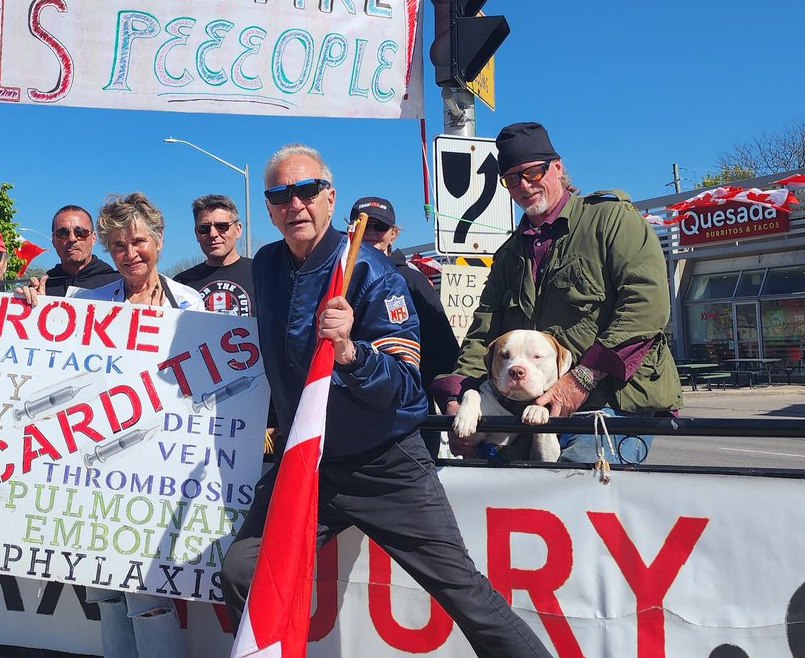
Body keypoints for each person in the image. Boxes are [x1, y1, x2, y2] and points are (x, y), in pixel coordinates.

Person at [220, 144, 552, 658]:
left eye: (307, 191)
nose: (295, 204)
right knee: (242, 571)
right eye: (280, 195)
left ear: (330, 199)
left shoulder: (373, 272)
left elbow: (403, 385)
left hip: (386, 463)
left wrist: (352, 352)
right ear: (268, 208)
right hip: (309, 465)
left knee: (467, 596)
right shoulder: (264, 266)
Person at [431, 122, 681, 464]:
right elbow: (483, 334)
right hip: (528, 415)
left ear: (558, 168)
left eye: (533, 172)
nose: (524, 186)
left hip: (609, 407)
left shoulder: (610, 221)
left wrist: (580, 380)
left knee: (575, 487)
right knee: (510, 501)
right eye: (512, 179)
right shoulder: (508, 254)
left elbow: (646, 309)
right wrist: (458, 399)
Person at [76, 192, 199, 658]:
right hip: (97, 460)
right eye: (118, 246)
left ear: (159, 242)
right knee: (107, 592)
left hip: (160, 459)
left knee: (147, 590)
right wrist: (32, 301)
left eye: (138, 241)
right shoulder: (88, 303)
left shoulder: (190, 302)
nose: (130, 254)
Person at [351, 195, 460, 460]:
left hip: (407, 418)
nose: (371, 233)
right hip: (350, 417)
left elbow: (443, 350)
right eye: (363, 225)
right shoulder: (334, 279)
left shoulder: (411, 280)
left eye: (380, 227)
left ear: (393, 234)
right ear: (351, 229)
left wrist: (450, 400)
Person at [173, 194, 256, 316]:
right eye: (204, 228)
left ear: (238, 230)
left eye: (222, 226)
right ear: (196, 234)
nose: (213, 234)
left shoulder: (261, 273)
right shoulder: (181, 284)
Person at [38, 205, 119, 297]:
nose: (72, 239)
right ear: (53, 240)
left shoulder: (120, 283)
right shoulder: (43, 287)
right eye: (63, 233)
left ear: (93, 238)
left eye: (80, 232)